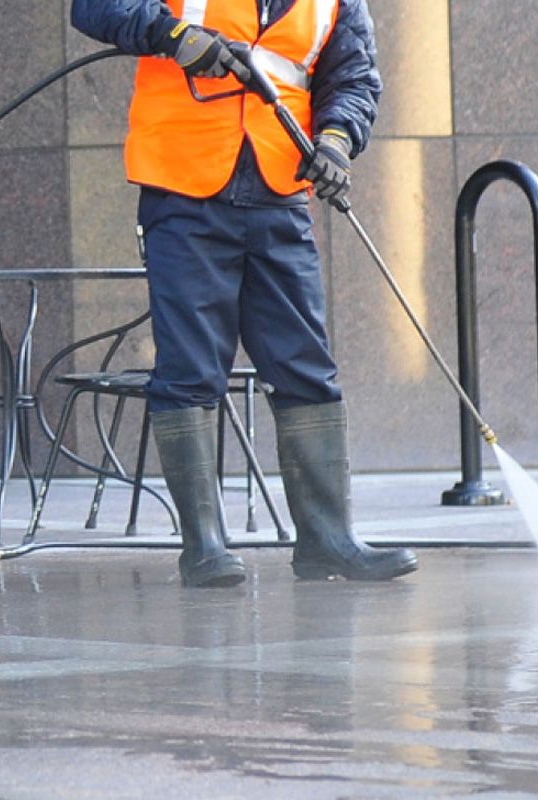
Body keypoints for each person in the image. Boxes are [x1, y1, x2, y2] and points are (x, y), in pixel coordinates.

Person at [70, 0, 419, 587]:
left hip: (279, 190)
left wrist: (334, 142)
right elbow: (96, 6)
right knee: (189, 370)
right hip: (184, 188)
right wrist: (173, 34)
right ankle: (203, 546)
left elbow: (353, 76)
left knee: (306, 368)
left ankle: (327, 541)